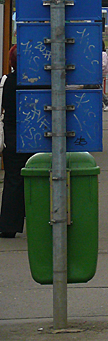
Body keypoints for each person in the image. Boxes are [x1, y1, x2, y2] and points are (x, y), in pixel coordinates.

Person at [0, 45, 31, 238]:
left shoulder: (7, 82)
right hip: (36, 137)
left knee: (13, 180)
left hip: (11, 136)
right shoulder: (37, 83)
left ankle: (8, 226)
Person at [102, 41, 108, 111]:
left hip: (101, 73)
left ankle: (107, 103)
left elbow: (103, 64)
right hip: (102, 72)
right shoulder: (103, 54)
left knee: (98, 89)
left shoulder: (103, 54)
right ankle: (101, 105)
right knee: (98, 88)